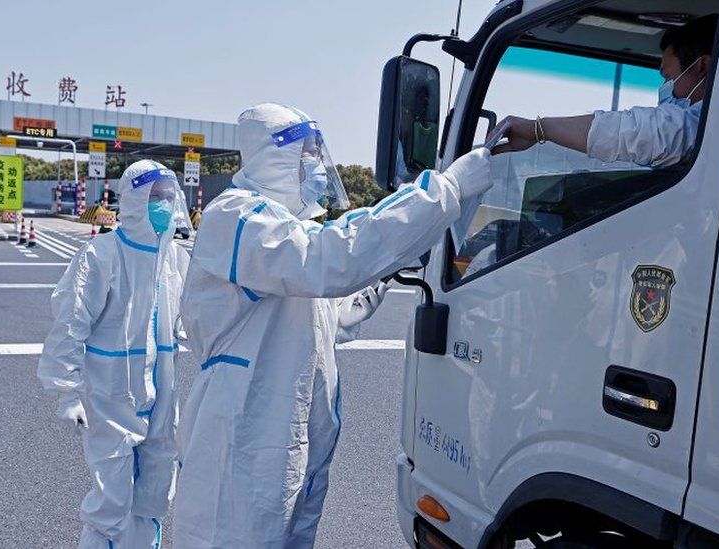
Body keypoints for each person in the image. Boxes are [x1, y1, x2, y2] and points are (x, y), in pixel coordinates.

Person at [173, 103, 491, 548]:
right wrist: (444, 191)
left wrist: (387, 267)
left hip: (287, 438)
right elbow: (329, 260)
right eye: (304, 153)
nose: (316, 165)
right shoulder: (237, 218)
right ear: (271, 156)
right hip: (242, 437)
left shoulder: (290, 231)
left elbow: (336, 312)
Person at [38, 160, 190, 549]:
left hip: (162, 391)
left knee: (155, 488)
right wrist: (67, 392)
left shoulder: (174, 258)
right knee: (112, 496)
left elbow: (198, 317)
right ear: (133, 200)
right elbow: (70, 324)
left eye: (168, 197)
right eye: (154, 197)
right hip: (111, 395)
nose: (163, 204)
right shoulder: (102, 255)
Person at [489, 14, 718, 167]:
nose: (665, 89)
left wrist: (539, 129)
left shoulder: (711, 124)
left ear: (702, 66)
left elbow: (646, 132)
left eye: (668, 77)